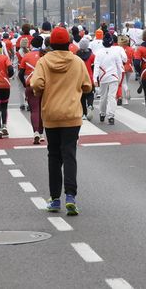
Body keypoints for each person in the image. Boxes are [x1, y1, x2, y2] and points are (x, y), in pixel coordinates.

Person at [31, 26, 93, 216]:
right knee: (69, 155)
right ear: (68, 43)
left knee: (54, 155)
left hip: (51, 114)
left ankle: (55, 199)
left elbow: (36, 84)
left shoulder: (43, 61)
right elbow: (87, 86)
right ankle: (71, 197)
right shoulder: (76, 62)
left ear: (51, 45)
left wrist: (41, 91)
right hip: (72, 115)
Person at [18, 36, 45, 144]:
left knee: (34, 110)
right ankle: (42, 134)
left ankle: (36, 132)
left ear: (32, 45)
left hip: (31, 85)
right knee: (42, 110)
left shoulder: (26, 56)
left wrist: (25, 84)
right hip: (44, 85)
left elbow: (20, 73)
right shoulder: (45, 56)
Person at [93, 33, 125, 125]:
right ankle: (111, 116)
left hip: (103, 77)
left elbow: (96, 66)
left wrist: (95, 79)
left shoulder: (99, 53)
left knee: (103, 97)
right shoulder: (115, 52)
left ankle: (102, 114)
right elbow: (120, 66)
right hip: (114, 76)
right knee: (112, 97)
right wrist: (119, 77)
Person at [76, 38, 95, 120]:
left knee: (82, 96)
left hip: (79, 78)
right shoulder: (92, 56)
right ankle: (90, 105)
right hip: (89, 77)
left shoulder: (76, 55)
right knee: (90, 93)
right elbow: (94, 67)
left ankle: (84, 113)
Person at [117, 35, 134, 105]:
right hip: (129, 66)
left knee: (123, 83)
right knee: (126, 82)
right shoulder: (131, 49)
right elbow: (134, 58)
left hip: (122, 67)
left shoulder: (119, 49)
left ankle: (126, 94)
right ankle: (125, 99)